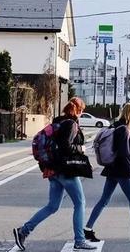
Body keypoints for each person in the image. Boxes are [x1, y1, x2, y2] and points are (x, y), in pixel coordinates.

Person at [13, 97, 96, 251]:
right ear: (78, 110)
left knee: (52, 206)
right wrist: (81, 149)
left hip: (53, 170)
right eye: (82, 109)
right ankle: (79, 240)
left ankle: (23, 231)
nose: (82, 112)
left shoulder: (57, 122)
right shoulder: (71, 124)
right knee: (80, 203)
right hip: (65, 170)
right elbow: (66, 147)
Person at [83, 104, 130, 244]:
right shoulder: (123, 130)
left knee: (104, 200)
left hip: (112, 168)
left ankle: (88, 228)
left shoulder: (115, 126)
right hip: (121, 170)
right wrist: (129, 172)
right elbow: (123, 153)